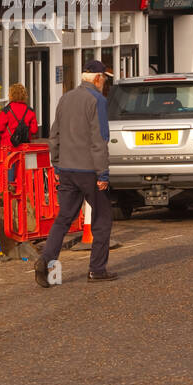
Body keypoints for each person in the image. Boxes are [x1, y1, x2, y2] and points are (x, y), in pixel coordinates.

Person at [37, 59, 115, 286]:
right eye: (104, 80)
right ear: (99, 79)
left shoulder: (65, 98)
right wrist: (103, 174)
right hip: (89, 170)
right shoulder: (97, 100)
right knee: (102, 219)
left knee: (63, 218)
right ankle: (97, 270)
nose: (104, 84)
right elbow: (99, 139)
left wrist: (57, 164)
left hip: (67, 170)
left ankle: (45, 260)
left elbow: (55, 135)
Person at [0, 83, 40, 185]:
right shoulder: (30, 111)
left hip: (8, 145)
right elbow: (34, 130)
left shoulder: (6, 110)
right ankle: (24, 191)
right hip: (24, 146)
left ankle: (10, 191)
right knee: (23, 170)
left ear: (11, 95)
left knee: (9, 168)